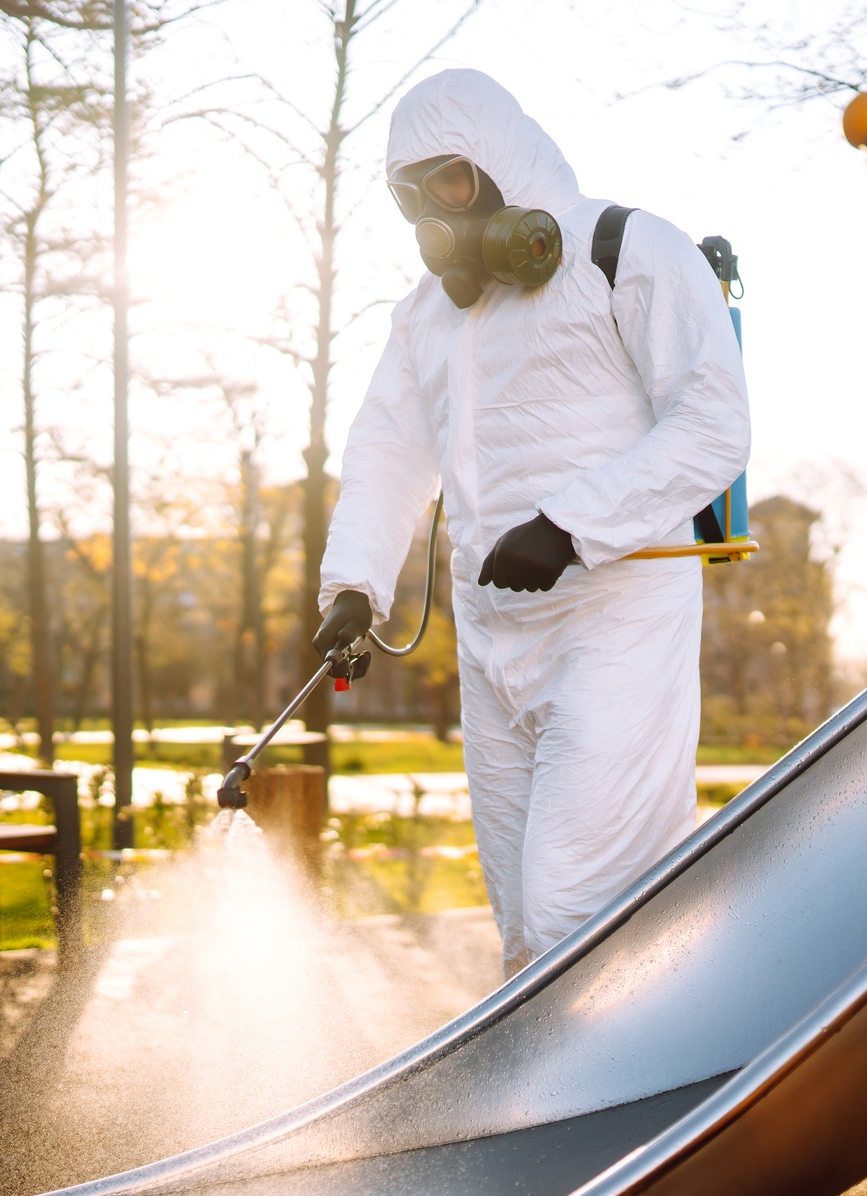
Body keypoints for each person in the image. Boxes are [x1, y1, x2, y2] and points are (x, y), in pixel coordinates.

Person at [314, 69, 752, 978]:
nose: (435, 210)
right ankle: (560, 1105)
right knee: (520, 920)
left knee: (574, 904)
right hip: (489, 637)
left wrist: (570, 526)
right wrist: (354, 587)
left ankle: (656, 1078)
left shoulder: (625, 249)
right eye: (412, 193)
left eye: (449, 180)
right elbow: (388, 452)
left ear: (501, 161)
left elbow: (714, 426)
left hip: (617, 616)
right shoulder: (427, 317)